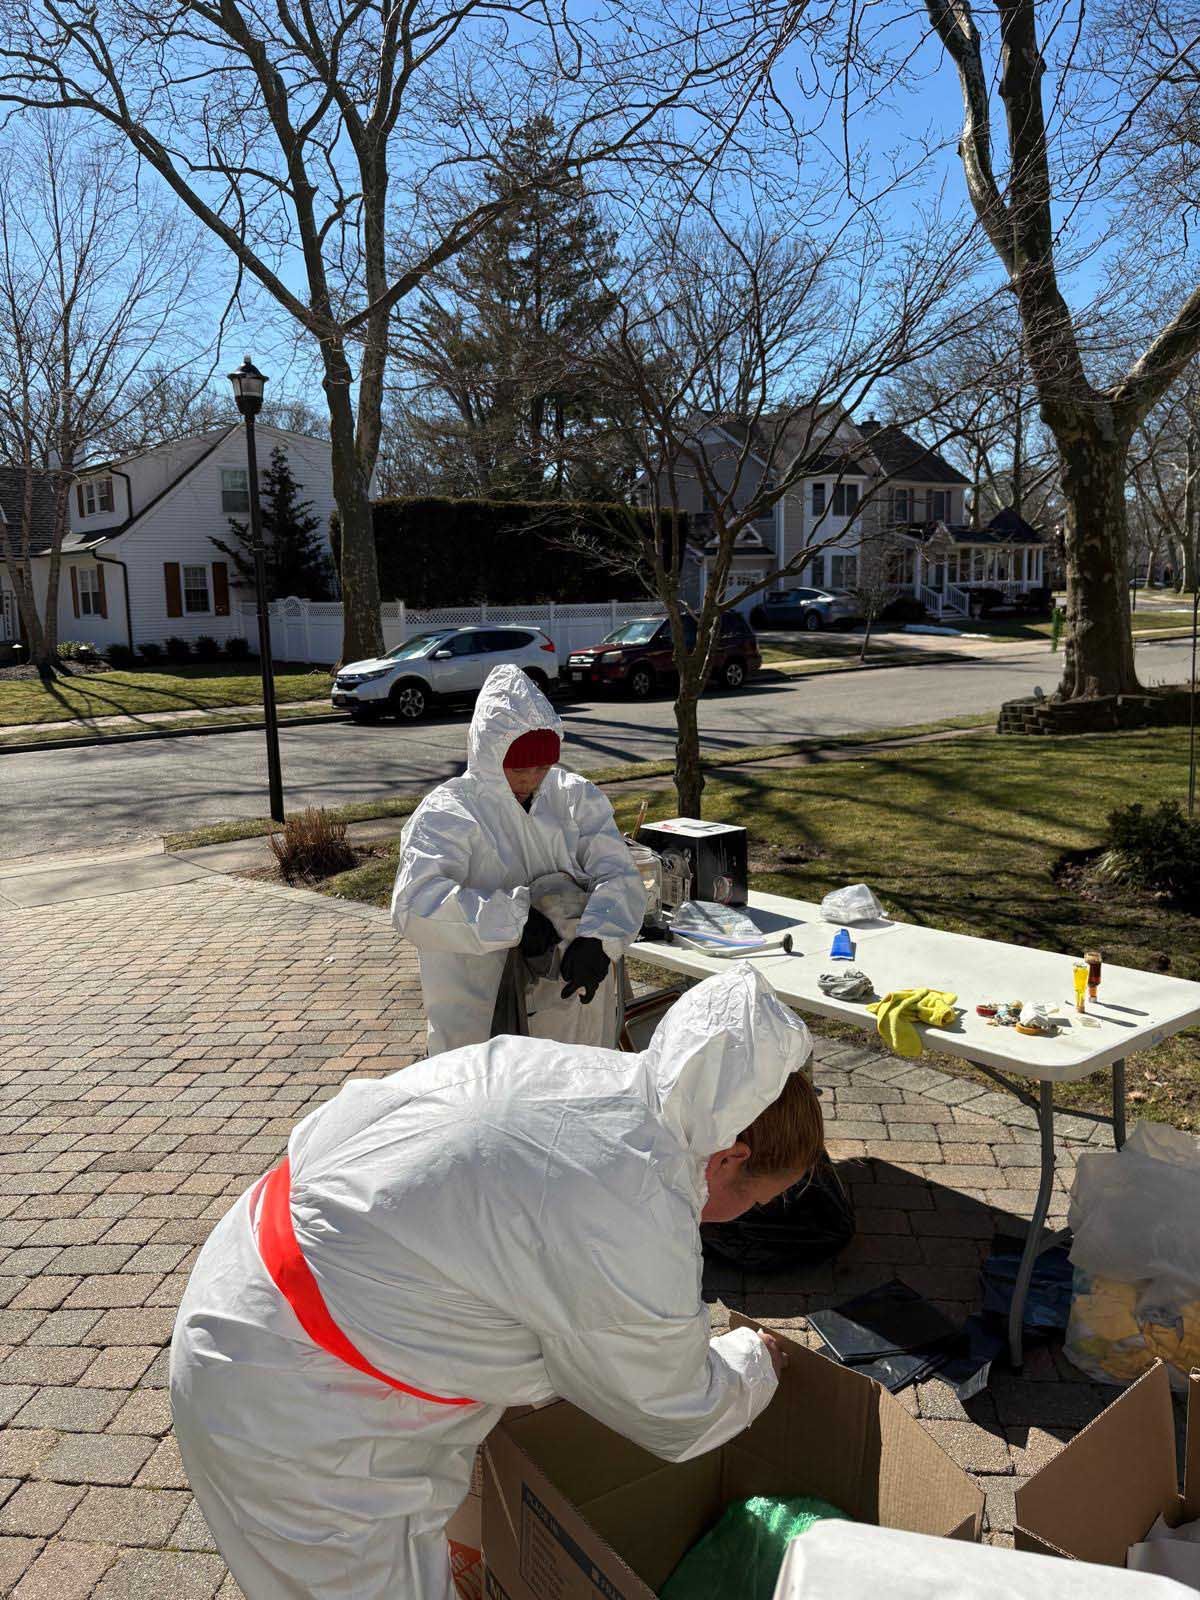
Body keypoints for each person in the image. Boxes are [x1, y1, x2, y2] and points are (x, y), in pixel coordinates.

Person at [170, 964, 823, 1600]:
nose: (752, 1217)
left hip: (260, 1285)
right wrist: (753, 1364)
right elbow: (674, 1411)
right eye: (760, 1199)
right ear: (730, 1156)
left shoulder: (596, 1080)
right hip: (294, 1414)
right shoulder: (634, 1209)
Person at [391, 663, 646, 1053]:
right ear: (490, 757)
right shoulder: (448, 813)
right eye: (519, 767)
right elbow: (417, 904)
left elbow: (617, 872)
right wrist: (514, 920)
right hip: (481, 1006)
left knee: (575, 1090)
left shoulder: (574, 797)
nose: (532, 778)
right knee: (491, 1102)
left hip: (570, 1002)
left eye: (543, 766)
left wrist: (600, 937)